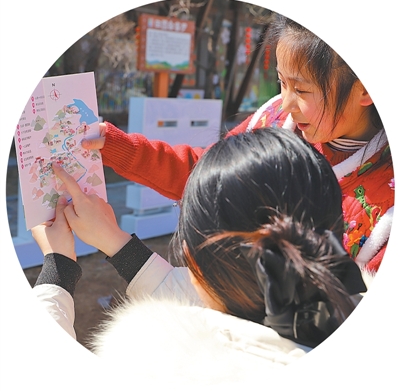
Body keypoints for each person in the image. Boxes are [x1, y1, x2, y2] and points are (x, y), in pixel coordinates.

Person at [32, 128, 367, 384]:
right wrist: (115, 243)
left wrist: (57, 270)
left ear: (192, 257)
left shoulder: (152, 368)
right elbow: (210, 303)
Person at [81, 14, 394, 274]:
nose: (287, 103)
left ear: (365, 89)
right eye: (282, 82)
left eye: (301, 90)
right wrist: (115, 145)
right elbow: (206, 175)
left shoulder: (386, 211)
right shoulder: (270, 119)